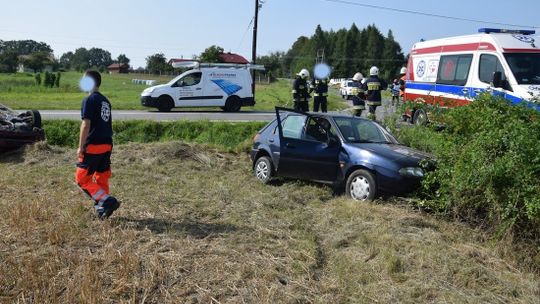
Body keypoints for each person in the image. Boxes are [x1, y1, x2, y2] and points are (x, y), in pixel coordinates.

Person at [75, 70, 120, 219]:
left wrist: (81, 147)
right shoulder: (105, 101)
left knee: (82, 179)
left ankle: (107, 201)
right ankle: (102, 208)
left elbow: (86, 124)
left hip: (93, 145)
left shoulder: (89, 100)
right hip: (107, 144)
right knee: (101, 178)